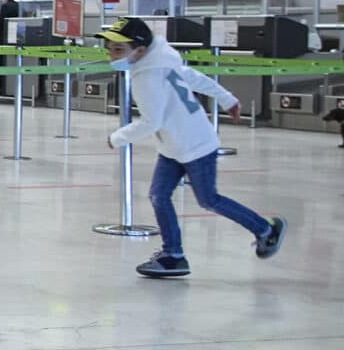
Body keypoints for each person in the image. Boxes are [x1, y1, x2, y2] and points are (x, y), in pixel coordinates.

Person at [98, 18, 285, 278]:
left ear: (139, 50)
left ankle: (266, 229)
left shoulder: (147, 76)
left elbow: (152, 121)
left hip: (194, 144)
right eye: (109, 48)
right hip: (174, 146)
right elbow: (195, 78)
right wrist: (227, 99)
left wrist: (118, 137)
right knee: (159, 196)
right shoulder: (161, 63)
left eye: (118, 49)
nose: (112, 54)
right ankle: (173, 255)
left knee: (208, 199)